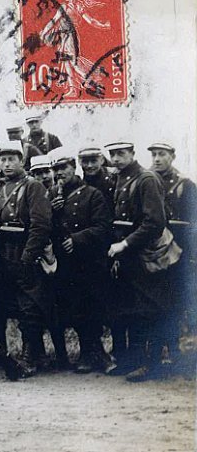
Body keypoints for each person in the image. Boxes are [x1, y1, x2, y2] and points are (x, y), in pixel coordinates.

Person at [105, 140, 170, 381]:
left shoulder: (146, 179)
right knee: (129, 310)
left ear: (132, 153)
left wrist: (126, 243)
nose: (117, 159)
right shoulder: (120, 179)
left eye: (121, 154)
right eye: (113, 154)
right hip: (127, 256)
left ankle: (150, 364)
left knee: (147, 310)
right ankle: (131, 362)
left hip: (145, 254)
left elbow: (154, 222)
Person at [48, 148, 113, 373]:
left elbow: (102, 227)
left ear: (73, 167)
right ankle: (89, 353)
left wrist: (76, 239)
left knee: (91, 308)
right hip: (65, 263)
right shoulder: (54, 194)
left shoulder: (92, 194)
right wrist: (53, 212)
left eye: (63, 168)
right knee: (73, 308)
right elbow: (48, 227)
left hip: (89, 261)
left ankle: (92, 353)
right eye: (55, 169)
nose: (59, 173)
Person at [0, 141, 53, 376]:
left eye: (12, 159)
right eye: (4, 160)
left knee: (30, 307)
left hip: (27, 252)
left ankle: (31, 357)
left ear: (22, 161)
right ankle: (35, 353)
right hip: (6, 253)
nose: (7, 164)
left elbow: (41, 225)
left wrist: (28, 257)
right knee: (16, 306)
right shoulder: (1, 189)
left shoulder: (33, 187)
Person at [148, 141, 197, 367]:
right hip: (153, 252)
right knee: (154, 303)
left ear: (172, 157)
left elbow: (192, 223)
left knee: (176, 304)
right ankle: (157, 354)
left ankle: (178, 355)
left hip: (178, 252)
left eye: (162, 155)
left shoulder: (184, 185)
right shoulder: (147, 182)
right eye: (154, 155)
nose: (157, 159)